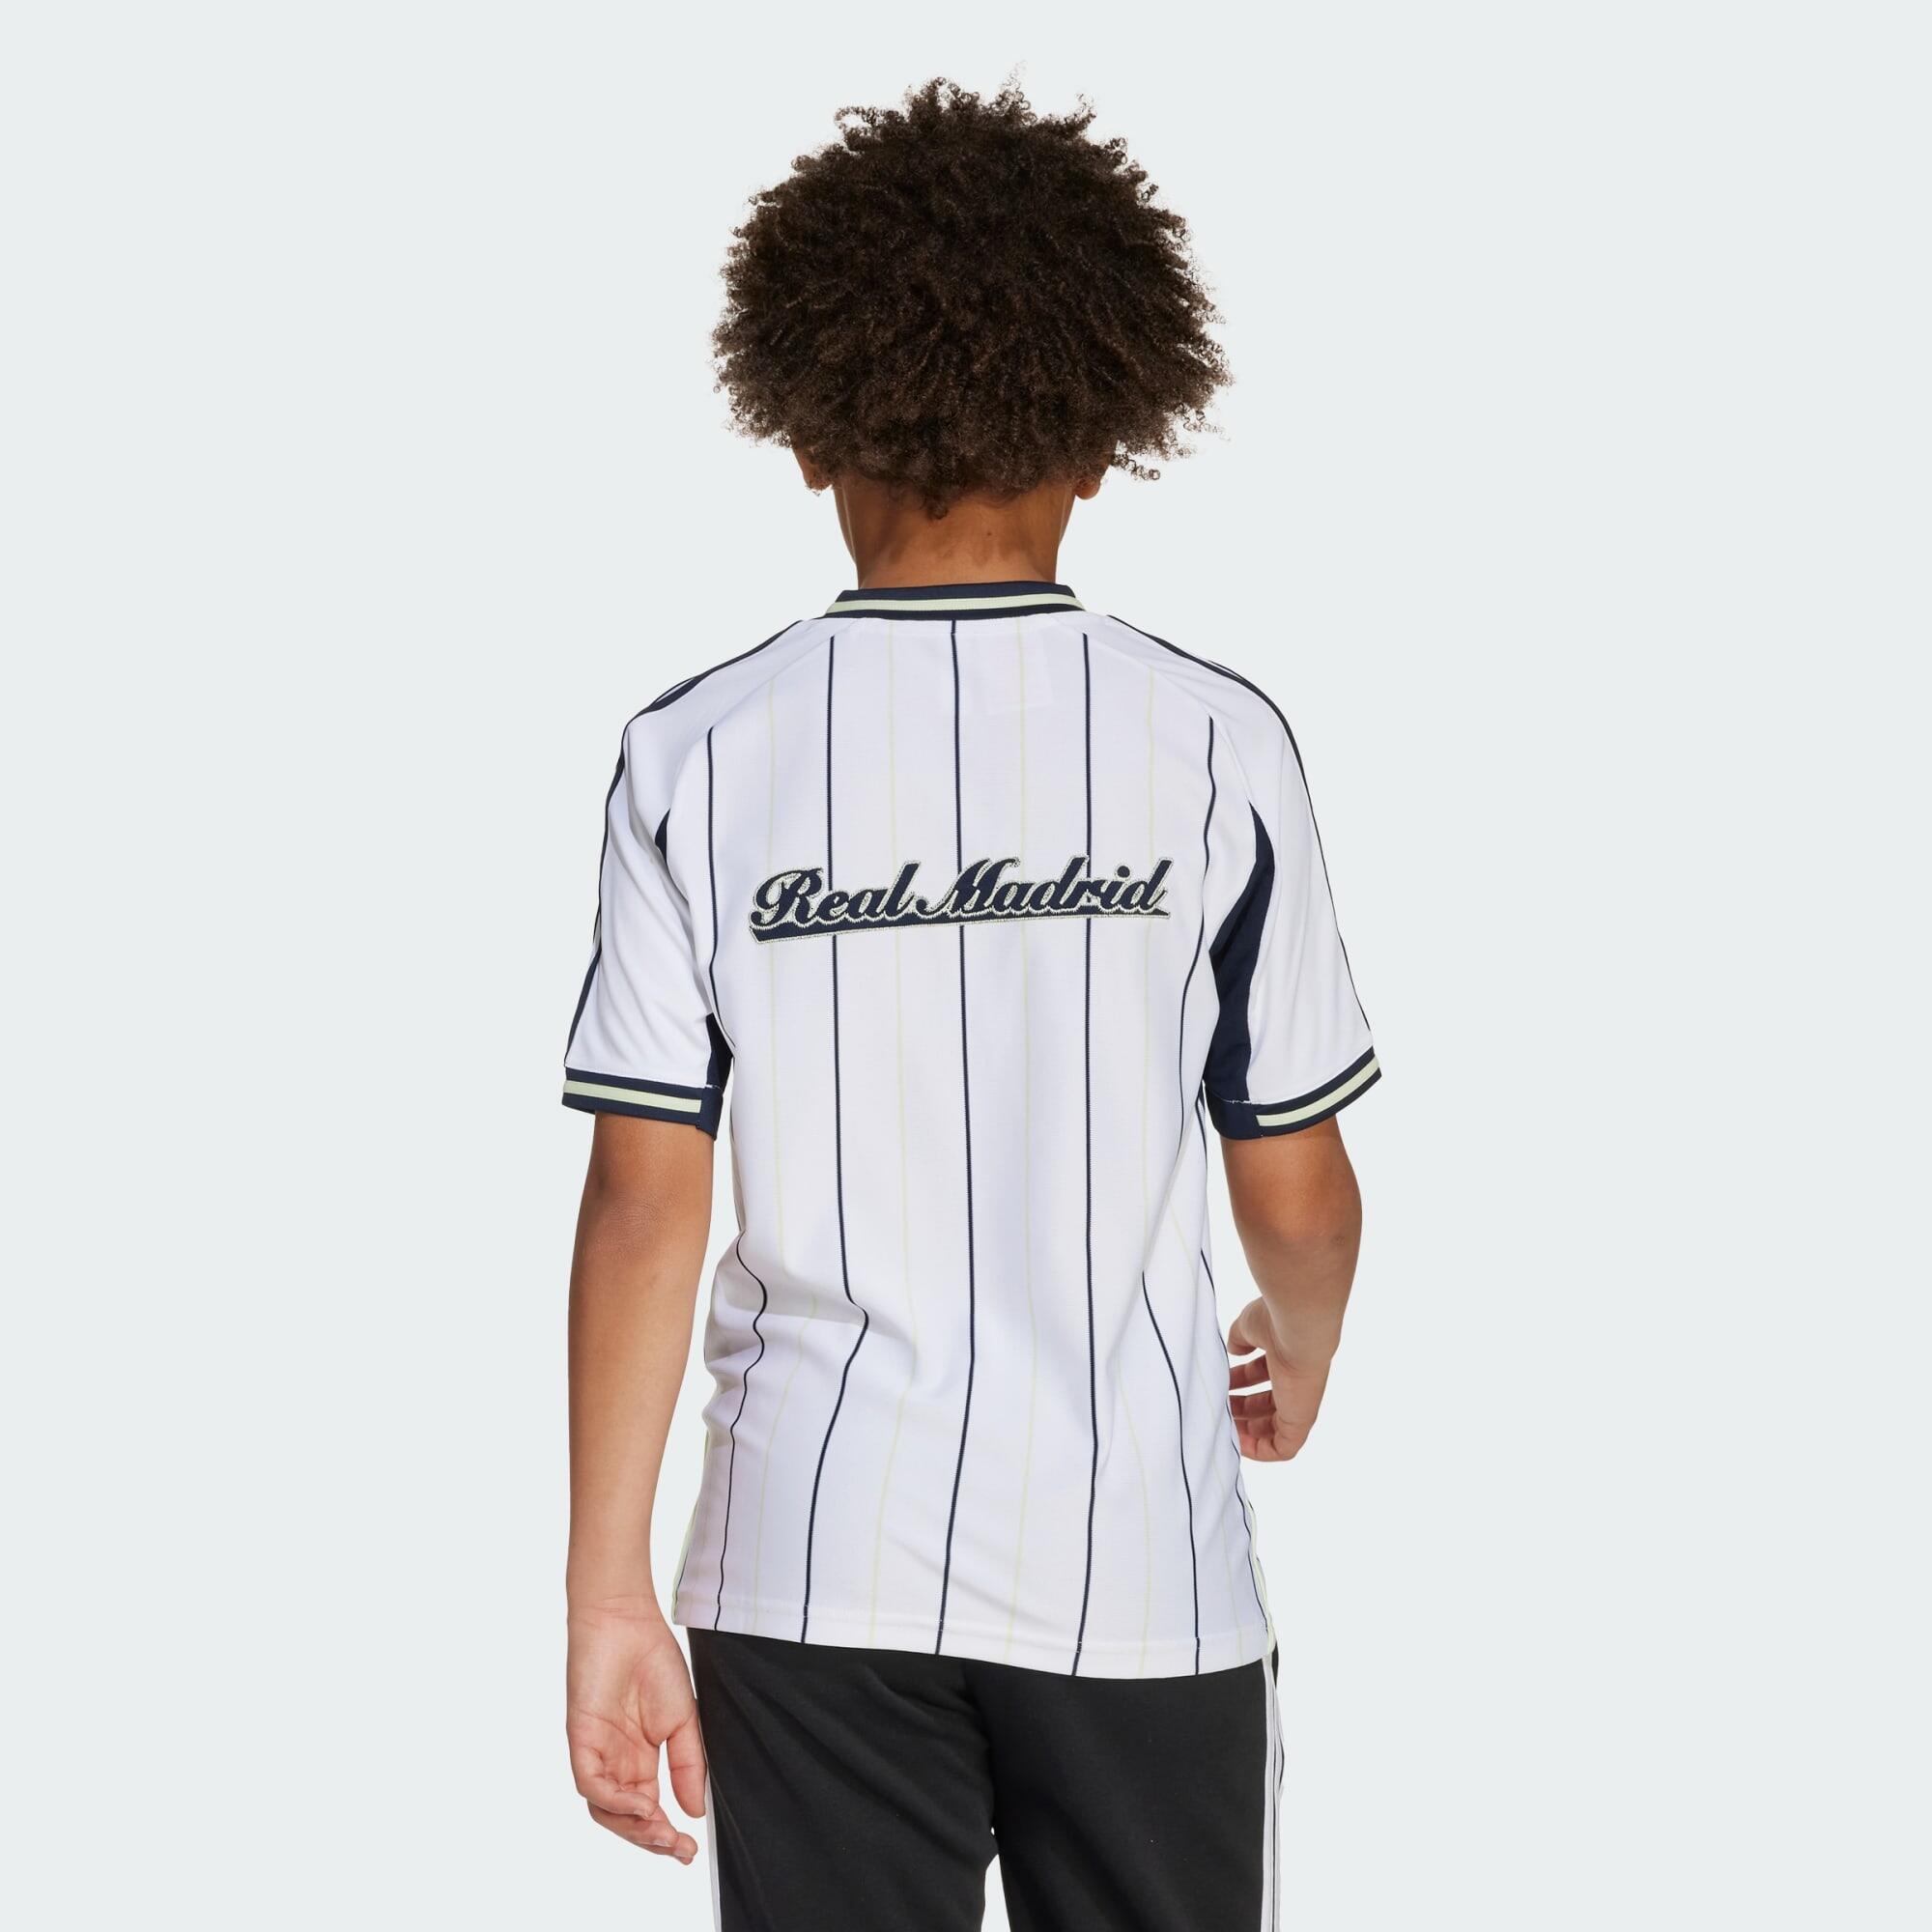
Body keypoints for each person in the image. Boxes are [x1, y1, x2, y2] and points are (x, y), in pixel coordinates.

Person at [560, 78, 1378, 1931]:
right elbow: (1299, 1186)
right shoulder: (1213, 747)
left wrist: (609, 1589)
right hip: (1139, 1568)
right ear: (1105, 432)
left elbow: (639, 1199)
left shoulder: (698, 756)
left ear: (803, 430)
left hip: (806, 1562)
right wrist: (1304, 1339)